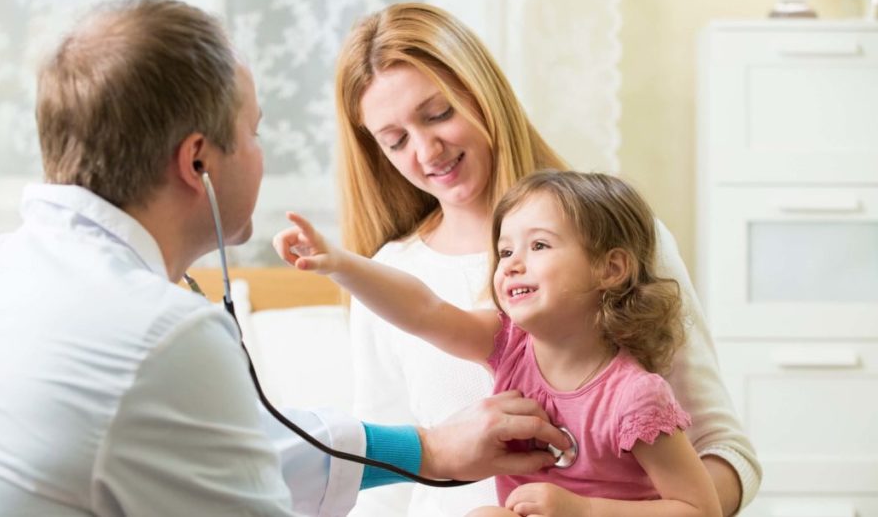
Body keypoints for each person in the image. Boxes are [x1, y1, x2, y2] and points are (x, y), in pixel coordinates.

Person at [0, 0, 573, 516]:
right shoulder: (159, 334)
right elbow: (243, 479)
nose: (261, 154)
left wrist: (428, 449)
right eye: (254, 132)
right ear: (198, 161)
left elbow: (229, 449)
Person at [333, 2, 761, 516]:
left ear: (482, 94)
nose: (426, 152)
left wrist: (596, 511)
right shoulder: (388, 278)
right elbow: (385, 487)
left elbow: (724, 449)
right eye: (396, 140)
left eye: (439, 113)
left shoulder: (613, 238)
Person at [275, 170, 723, 516]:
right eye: (506, 252)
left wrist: (584, 510)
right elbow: (423, 310)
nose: (511, 265)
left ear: (610, 269)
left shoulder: (635, 397)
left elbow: (699, 508)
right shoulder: (510, 346)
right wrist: (340, 265)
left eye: (539, 246)